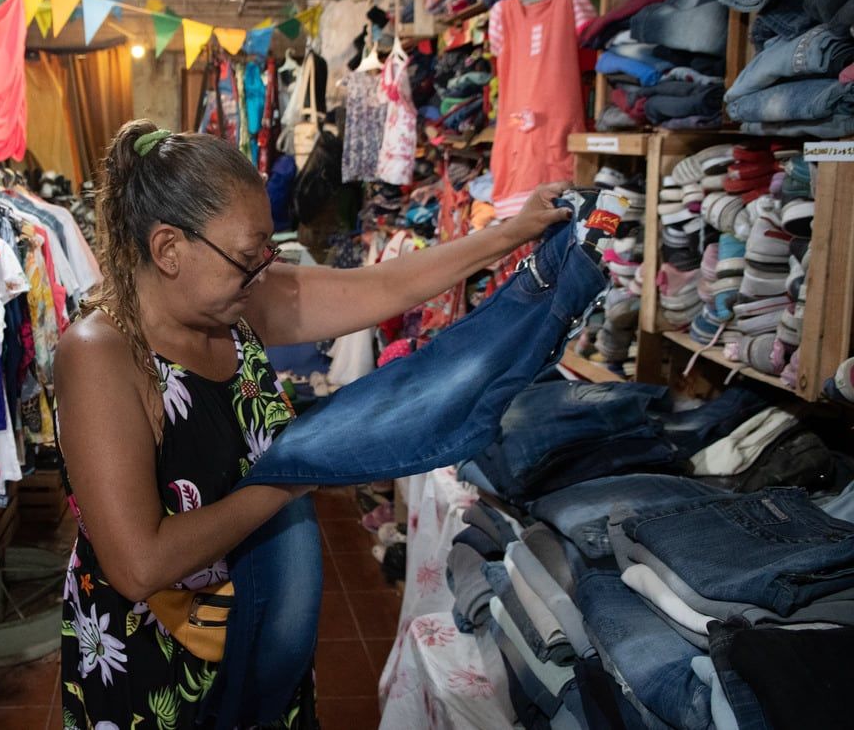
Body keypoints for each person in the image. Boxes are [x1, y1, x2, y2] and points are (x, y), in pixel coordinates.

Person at [55, 119, 579, 729]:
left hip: (261, 631)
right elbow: (138, 564)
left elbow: (385, 286)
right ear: (169, 249)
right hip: (154, 667)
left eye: (266, 254)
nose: (261, 272)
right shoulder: (101, 353)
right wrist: (293, 475)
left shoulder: (236, 306)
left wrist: (513, 232)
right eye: (246, 257)